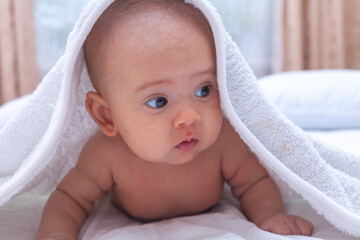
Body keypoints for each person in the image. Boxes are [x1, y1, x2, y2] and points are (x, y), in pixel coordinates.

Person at [36, 0, 314, 239]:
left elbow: (254, 183)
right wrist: (56, 233)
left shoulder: (223, 142)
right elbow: (69, 198)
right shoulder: (107, 155)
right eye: (159, 101)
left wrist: (270, 215)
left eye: (203, 90)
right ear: (107, 116)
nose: (190, 116)